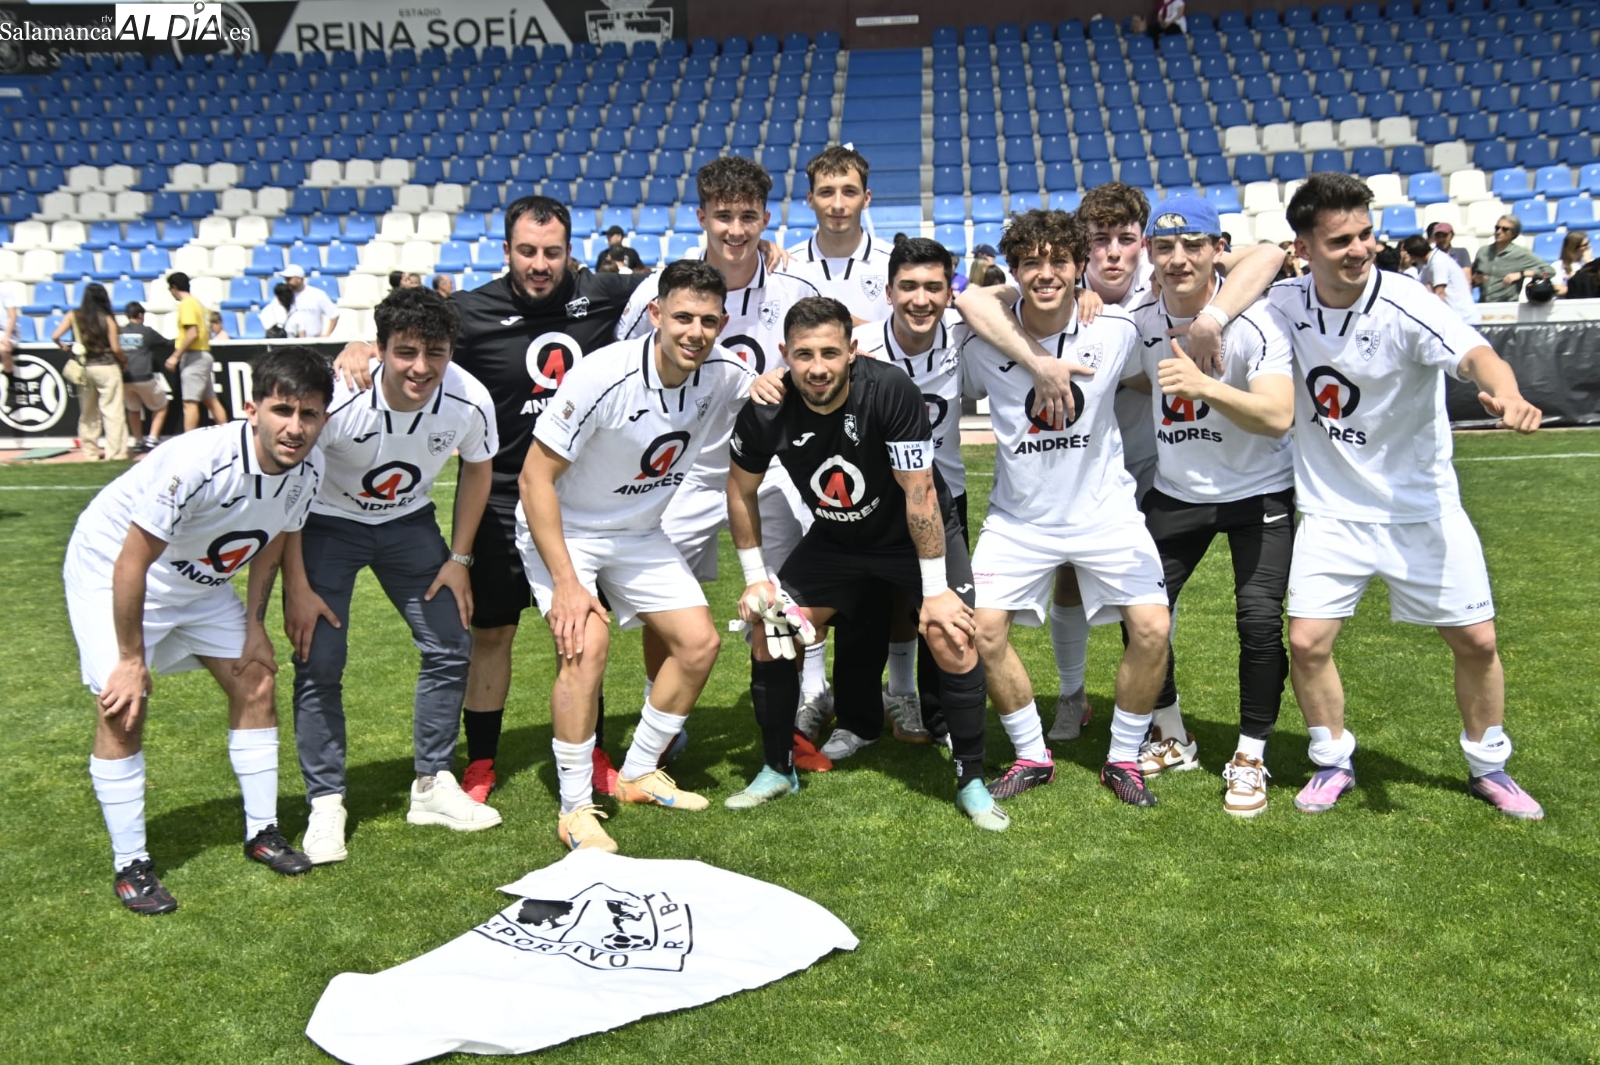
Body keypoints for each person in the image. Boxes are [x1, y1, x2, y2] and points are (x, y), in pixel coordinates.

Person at [333, 196, 647, 806]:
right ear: (506, 251)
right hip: (500, 500)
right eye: (527, 252)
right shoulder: (470, 312)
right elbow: (407, 330)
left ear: (570, 253)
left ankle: (592, 750)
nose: (539, 265)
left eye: (552, 253)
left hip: (581, 503)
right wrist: (358, 344)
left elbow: (679, 284)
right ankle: (480, 760)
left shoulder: (605, 294)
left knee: (581, 632)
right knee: (493, 633)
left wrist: (763, 254)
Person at [957, 184, 1287, 744]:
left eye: (1127, 239)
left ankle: (1160, 727)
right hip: (1083, 470)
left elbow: (1270, 255)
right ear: (1085, 250)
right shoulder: (1078, 299)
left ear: (1144, 244)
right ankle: (1076, 697)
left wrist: (1211, 316)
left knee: (1153, 611)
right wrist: (1042, 348)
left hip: (1153, 467)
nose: (1113, 251)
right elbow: (975, 300)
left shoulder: (1150, 296)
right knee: (1072, 585)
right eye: (1100, 240)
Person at [1264, 173, 1544, 820]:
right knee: (1306, 642)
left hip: (1421, 509)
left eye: (1366, 234)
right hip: (1331, 512)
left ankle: (1489, 765)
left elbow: (1476, 354)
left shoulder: (1405, 300)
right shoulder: (1282, 302)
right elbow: (1240, 273)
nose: (1360, 249)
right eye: (1340, 240)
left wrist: (1507, 391)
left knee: (1477, 641)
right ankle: (1332, 760)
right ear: (1302, 248)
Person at [65, 347, 332, 914]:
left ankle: (262, 831)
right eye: (282, 410)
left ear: (323, 419)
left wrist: (255, 626)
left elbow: (275, 537)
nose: (295, 427)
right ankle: (131, 864)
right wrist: (131, 659)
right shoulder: (197, 461)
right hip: (112, 569)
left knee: (256, 678)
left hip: (198, 580)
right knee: (122, 707)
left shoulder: (310, 468)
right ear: (252, 409)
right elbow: (132, 561)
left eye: (309, 414)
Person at [724, 296, 1005, 832]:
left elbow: (919, 491)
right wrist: (756, 579)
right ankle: (777, 767)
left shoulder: (890, 389)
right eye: (804, 354)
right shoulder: (766, 407)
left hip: (911, 536)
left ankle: (970, 779)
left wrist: (934, 591)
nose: (818, 367)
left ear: (852, 350)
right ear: (784, 353)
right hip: (837, 540)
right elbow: (739, 489)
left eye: (830, 352)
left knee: (950, 632)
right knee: (770, 627)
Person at [517, 260, 756, 853]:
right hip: (567, 529)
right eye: (682, 317)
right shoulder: (602, 375)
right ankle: (574, 809)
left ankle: (638, 772)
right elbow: (533, 478)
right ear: (655, 314)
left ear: (722, 323)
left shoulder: (726, 372)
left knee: (699, 644)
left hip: (640, 530)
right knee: (586, 646)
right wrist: (567, 584)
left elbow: (780, 385)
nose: (695, 332)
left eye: (708, 321)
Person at [618, 157, 832, 761]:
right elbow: (623, 366)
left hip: (774, 468)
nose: (735, 229)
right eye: (723, 216)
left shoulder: (794, 288)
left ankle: (801, 709)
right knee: (665, 601)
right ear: (701, 217)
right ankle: (661, 714)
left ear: (766, 218)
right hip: (682, 471)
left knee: (787, 595)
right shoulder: (659, 291)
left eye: (747, 216)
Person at [960, 209, 1172, 808]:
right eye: (1031, 263)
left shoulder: (1115, 329)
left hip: (1106, 515)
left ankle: (1123, 758)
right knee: (983, 632)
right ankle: (1033, 755)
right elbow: (967, 301)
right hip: (1019, 520)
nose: (1045, 273)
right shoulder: (982, 344)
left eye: (1059, 261)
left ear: (1081, 266)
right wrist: (1033, 351)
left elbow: (1153, 363)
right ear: (1014, 270)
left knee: (1153, 628)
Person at [283, 287, 502, 865]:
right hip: (326, 524)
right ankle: (325, 802)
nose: (421, 367)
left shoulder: (470, 399)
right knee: (319, 659)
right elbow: (288, 486)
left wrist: (459, 559)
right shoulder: (339, 399)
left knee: (451, 642)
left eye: (436, 352)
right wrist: (297, 585)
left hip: (409, 523)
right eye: (405, 351)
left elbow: (479, 468)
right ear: (379, 349)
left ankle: (432, 783)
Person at [1123, 196, 1296, 816]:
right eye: (1164, 247)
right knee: (1142, 613)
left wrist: (1204, 384)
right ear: (1149, 253)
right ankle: (1172, 733)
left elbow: (1278, 416)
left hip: (1260, 491)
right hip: (1177, 491)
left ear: (1218, 249)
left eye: (1193, 245)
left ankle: (1250, 755)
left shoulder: (1258, 320)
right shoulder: (1138, 319)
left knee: (1258, 621)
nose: (1178, 259)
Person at [788, 145, 893, 325]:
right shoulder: (789, 266)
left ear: (866, 199)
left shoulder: (893, 262)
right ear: (811, 199)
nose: (838, 204)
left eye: (849, 192)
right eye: (826, 192)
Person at [53, 281, 129, 461]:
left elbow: (55, 336)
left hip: (85, 368)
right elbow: (116, 348)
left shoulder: (74, 315)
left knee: (88, 413)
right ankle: (115, 453)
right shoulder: (108, 319)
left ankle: (90, 452)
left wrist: (63, 346)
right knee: (113, 412)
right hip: (107, 367)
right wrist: (124, 361)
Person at [163, 271, 230, 433]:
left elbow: (192, 333)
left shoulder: (187, 304)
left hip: (194, 356)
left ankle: (188, 441)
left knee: (190, 402)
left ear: (174, 287)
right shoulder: (197, 304)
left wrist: (175, 356)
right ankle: (227, 433)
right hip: (203, 354)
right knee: (211, 400)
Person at [119, 301, 171, 452]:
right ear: (141, 315)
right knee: (161, 406)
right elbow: (167, 343)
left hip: (125, 378)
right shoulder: (146, 331)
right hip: (144, 377)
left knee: (133, 409)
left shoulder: (120, 331)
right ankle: (152, 439)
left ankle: (138, 440)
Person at [1472, 216, 1554, 302]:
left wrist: (1522, 274)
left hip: (1508, 306)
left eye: (1504, 229)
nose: (1498, 232)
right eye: (1497, 228)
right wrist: (1474, 280)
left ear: (1514, 234)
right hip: (1483, 306)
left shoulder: (1521, 254)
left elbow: (1549, 271)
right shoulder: (1483, 251)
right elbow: (1469, 279)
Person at [1406, 234, 1476, 321]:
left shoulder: (1438, 262)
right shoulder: (1430, 262)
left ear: (1413, 256)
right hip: (1456, 317)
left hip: (1462, 318)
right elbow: (1418, 286)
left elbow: (1440, 294)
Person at [280, 265, 341, 338]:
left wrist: (327, 334)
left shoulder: (317, 294)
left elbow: (334, 315)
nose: (286, 282)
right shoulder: (284, 295)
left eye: (288, 279)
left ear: (299, 279)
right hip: (290, 339)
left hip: (313, 339)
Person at [1553, 231, 1591, 297]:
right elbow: (1559, 290)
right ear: (1573, 248)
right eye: (1585, 245)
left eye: (1588, 243)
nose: (1588, 247)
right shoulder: (1557, 266)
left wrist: (1589, 264)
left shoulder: (1588, 263)